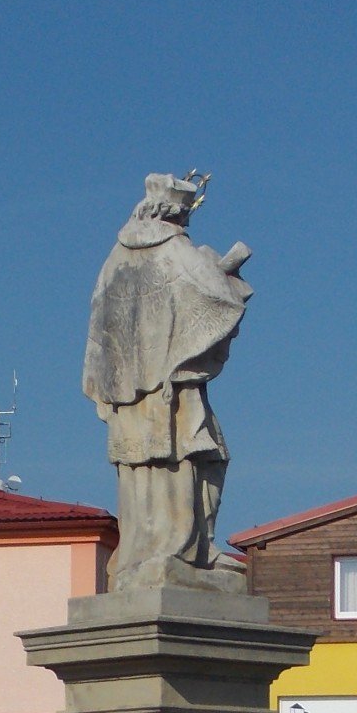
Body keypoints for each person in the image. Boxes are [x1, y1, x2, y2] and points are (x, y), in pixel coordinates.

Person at [82, 173, 252, 590]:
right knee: (192, 460)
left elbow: (99, 327)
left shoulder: (115, 258)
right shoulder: (177, 250)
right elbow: (217, 298)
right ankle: (183, 550)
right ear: (176, 213)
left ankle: (139, 553)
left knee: (140, 469)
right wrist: (227, 271)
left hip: (127, 393)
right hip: (172, 389)